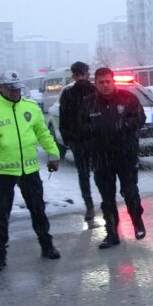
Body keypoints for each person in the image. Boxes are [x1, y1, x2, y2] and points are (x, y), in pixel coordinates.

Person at [0, 70, 61, 273]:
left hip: (29, 168)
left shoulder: (30, 107)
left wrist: (53, 154)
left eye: (18, 88)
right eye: (10, 89)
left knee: (38, 209)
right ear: (0, 88)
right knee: (1, 214)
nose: (15, 92)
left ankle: (47, 245)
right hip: (3, 170)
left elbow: (43, 133)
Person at [81, 67, 146, 249]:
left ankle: (137, 222)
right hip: (101, 157)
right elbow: (81, 128)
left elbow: (140, 119)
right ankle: (111, 233)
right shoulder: (89, 103)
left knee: (130, 192)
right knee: (107, 198)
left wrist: (122, 125)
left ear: (113, 81)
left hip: (125, 155)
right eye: (101, 82)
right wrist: (94, 133)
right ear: (95, 83)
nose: (105, 85)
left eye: (108, 81)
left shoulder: (128, 98)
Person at [58, 61, 98, 220]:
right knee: (83, 174)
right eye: (77, 74)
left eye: (83, 74)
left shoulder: (96, 91)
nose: (80, 77)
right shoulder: (68, 94)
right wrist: (68, 139)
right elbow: (63, 118)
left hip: (96, 139)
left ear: (87, 74)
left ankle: (106, 202)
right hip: (78, 140)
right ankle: (89, 205)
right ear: (73, 76)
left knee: (101, 172)